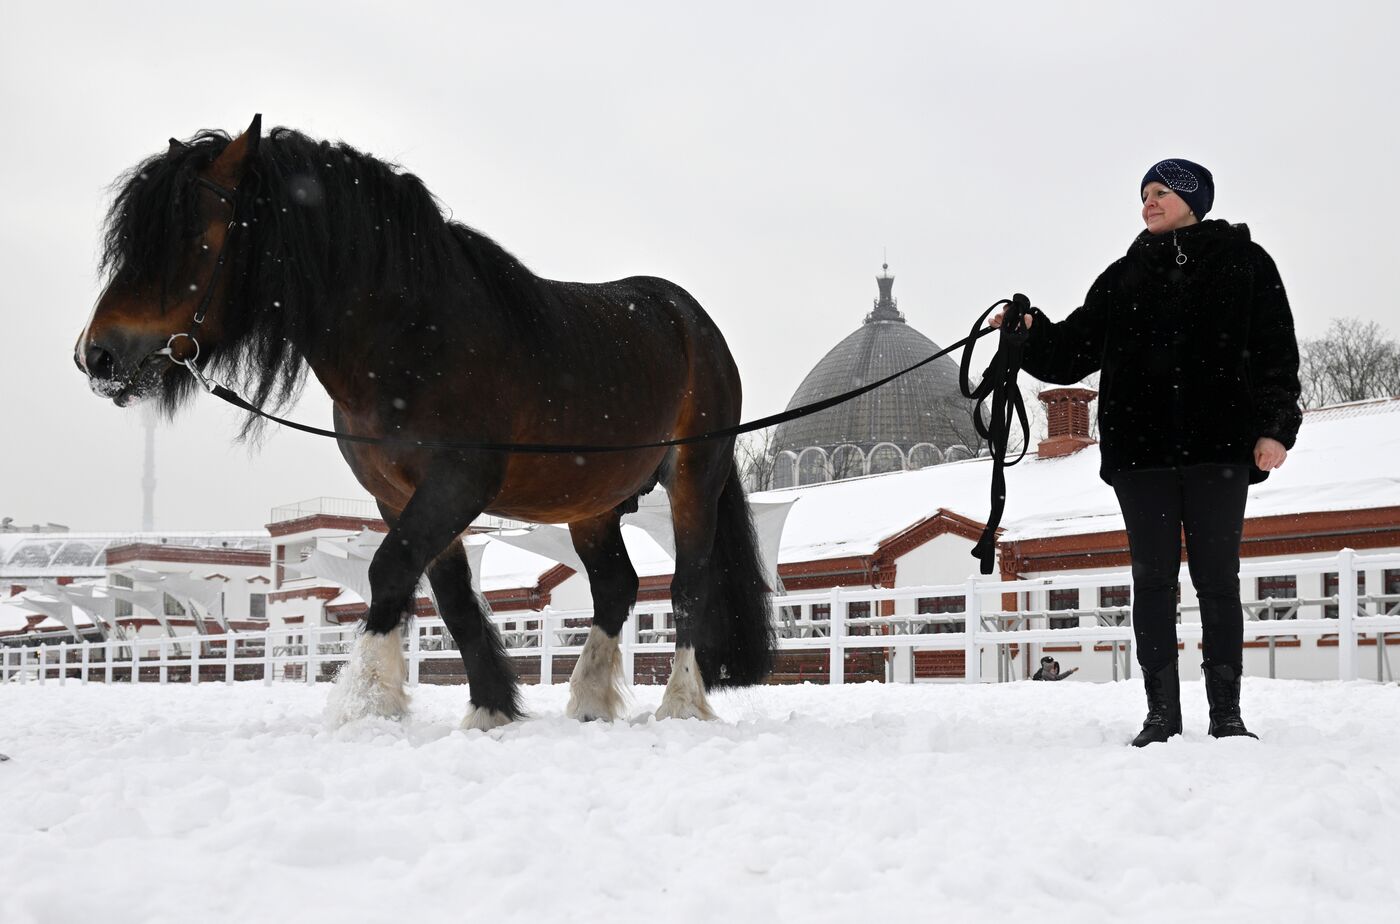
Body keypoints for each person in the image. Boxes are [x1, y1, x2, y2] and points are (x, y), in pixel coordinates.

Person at [991, 158, 1301, 746]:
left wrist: (1275, 428)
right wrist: (1027, 332)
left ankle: (1226, 714)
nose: (1148, 203)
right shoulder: (1123, 276)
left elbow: (1276, 354)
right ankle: (1161, 713)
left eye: (1161, 192)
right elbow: (1071, 350)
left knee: (1217, 579)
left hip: (1220, 449)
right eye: (1144, 195)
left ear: (1192, 199)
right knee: (1153, 579)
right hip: (1143, 456)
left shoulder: (1246, 264)